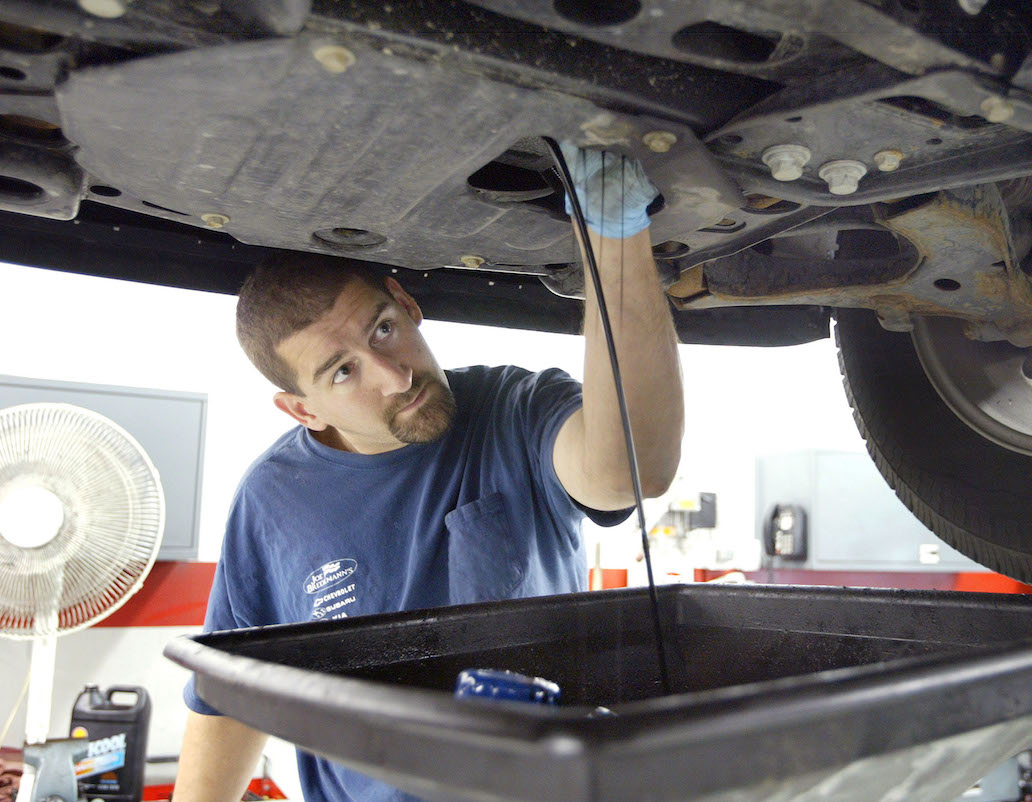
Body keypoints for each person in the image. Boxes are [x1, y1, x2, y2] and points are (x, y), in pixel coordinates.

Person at [172, 146, 684, 802]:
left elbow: (627, 471)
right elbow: (232, 695)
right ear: (301, 408)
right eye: (343, 370)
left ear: (406, 303)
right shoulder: (272, 499)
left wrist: (616, 238)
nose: (394, 375)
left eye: (382, 330)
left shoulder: (514, 410)